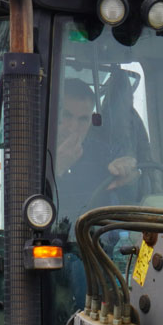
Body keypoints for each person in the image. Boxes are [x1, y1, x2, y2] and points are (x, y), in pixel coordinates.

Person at [54, 78, 138, 220]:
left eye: (83, 119)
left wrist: (129, 172)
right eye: (67, 115)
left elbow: (133, 181)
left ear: (91, 121)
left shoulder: (104, 152)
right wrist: (57, 169)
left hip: (99, 236)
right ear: (53, 114)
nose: (73, 127)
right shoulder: (34, 153)